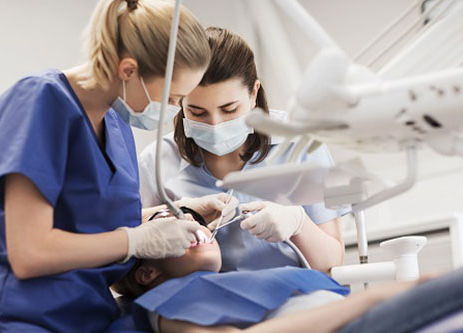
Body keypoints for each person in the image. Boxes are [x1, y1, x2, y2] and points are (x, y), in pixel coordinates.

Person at [0, 0, 234, 331]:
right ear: (129, 71)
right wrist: (137, 241)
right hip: (25, 317)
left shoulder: (116, 124)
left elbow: (86, 222)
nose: (173, 110)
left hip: (92, 316)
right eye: (172, 98)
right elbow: (30, 253)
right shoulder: (40, 102)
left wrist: (182, 210)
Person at [139, 27, 347, 273]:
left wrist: (299, 223)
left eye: (229, 109)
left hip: (293, 295)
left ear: (253, 94)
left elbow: (331, 262)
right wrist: (176, 215)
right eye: (197, 112)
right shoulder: (157, 162)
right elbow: (130, 259)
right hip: (203, 302)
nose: (215, 124)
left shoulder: (300, 144)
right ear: (179, 101)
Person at [111, 217, 463, 333]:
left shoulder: (221, 282)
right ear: (146, 274)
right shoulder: (164, 303)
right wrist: (373, 297)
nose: (187, 224)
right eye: (166, 227)